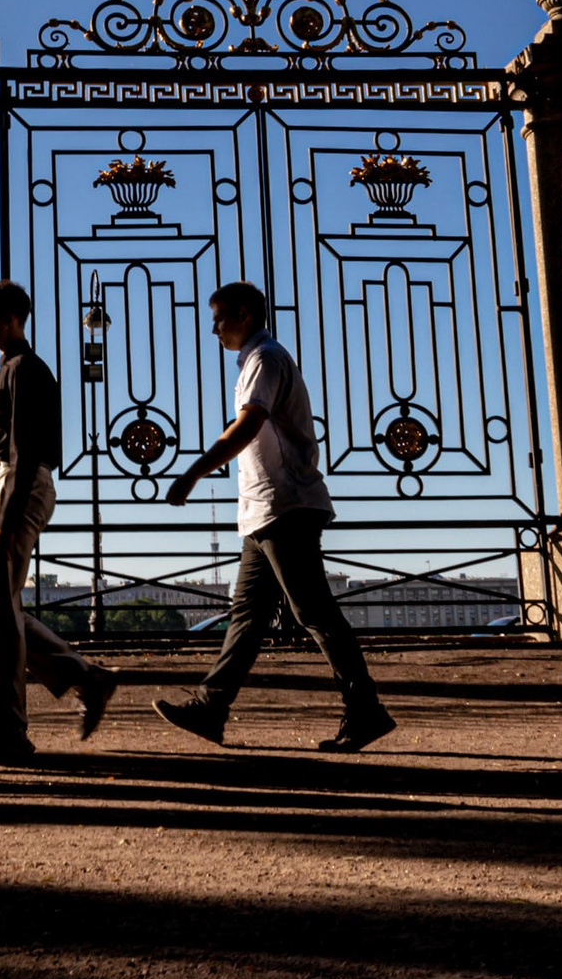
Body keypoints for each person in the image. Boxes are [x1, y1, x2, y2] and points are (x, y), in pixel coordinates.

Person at [154, 281, 395, 753]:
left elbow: (249, 424)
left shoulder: (265, 359)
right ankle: (211, 708)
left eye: (219, 318)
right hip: (265, 512)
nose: (213, 328)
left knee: (314, 611)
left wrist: (193, 473)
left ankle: (365, 708)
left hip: (286, 505)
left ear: (243, 314)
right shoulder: (256, 361)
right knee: (247, 615)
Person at [0, 280, 116, 763]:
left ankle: (7, 730)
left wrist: (4, 513)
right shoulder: (18, 368)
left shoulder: (22, 369)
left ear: (10, 318)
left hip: (16, 485)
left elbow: (24, 449)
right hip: (15, 485)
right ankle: (85, 679)